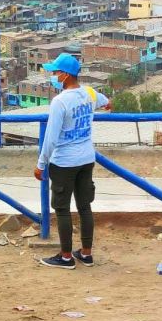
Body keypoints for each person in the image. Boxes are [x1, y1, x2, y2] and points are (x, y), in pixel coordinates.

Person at [33, 53, 109, 269]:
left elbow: (51, 138)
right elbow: (107, 102)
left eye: (56, 72)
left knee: (62, 208)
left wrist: (41, 164)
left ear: (66, 75)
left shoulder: (60, 102)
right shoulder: (90, 94)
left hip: (64, 162)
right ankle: (86, 253)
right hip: (86, 158)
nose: (53, 76)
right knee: (85, 206)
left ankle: (65, 256)